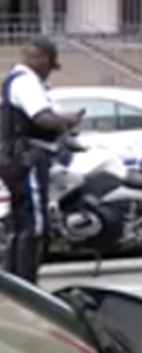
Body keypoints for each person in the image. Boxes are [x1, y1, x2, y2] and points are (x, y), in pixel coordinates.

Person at [0, 38, 81, 283]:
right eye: (49, 65)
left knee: (22, 222)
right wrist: (67, 121)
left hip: (17, 157)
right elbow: (41, 118)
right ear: (42, 58)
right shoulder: (26, 82)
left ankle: (15, 286)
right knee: (34, 225)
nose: (49, 72)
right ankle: (26, 286)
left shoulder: (18, 81)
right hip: (27, 158)